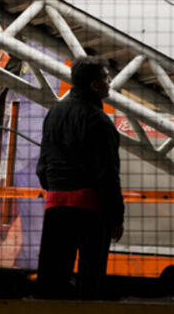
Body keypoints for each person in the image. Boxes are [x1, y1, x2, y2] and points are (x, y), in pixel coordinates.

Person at [35, 55, 124, 300]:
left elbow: (43, 165)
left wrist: (55, 187)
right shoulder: (100, 121)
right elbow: (107, 175)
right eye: (106, 78)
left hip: (55, 204)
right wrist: (116, 216)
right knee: (90, 278)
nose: (110, 83)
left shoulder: (54, 113)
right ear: (95, 85)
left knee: (52, 276)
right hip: (90, 209)